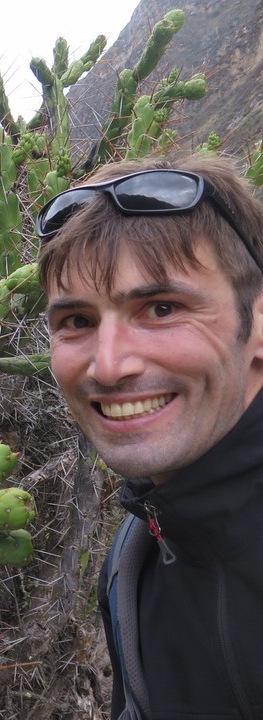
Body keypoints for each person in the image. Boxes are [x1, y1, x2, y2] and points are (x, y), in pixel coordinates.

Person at [36, 153, 263, 719]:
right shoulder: (136, 556)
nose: (108, 366)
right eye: (77, 322)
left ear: (257, 326)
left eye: (161, 308)